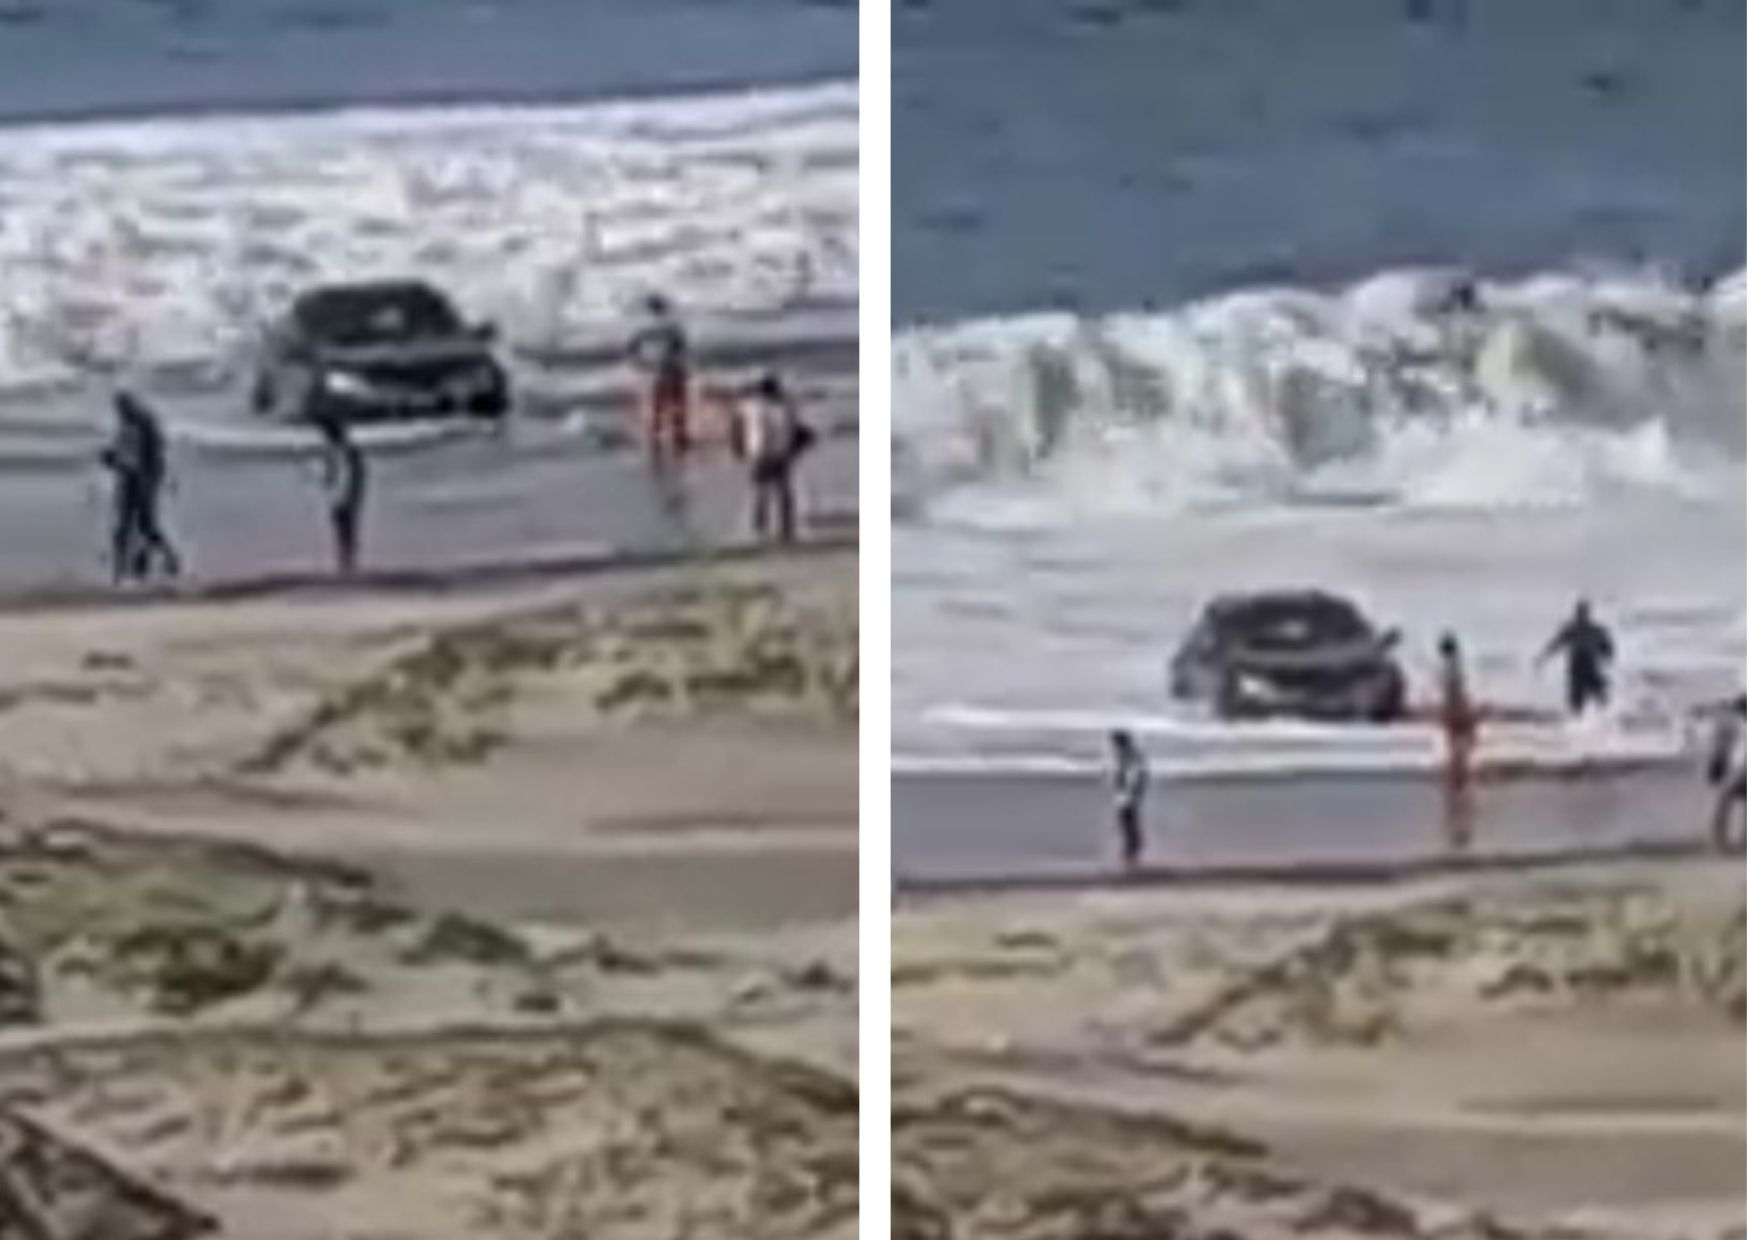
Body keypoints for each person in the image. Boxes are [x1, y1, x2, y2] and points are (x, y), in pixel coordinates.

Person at [99, 391, 180, 584]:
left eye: (121, 408)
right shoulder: (130, 425)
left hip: (140, 481)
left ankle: (161, 561)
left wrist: (113, 460)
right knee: (132, 527)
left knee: (141, 526)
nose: (119, 413)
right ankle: (126, 571)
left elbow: (144, 458)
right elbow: (127, 456)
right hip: (133, 480)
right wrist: (111, 458)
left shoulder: (142, 424)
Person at [736, 372, 815, 544]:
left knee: (762, 493)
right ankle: (786, 529)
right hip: (778, 454)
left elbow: (738, 427)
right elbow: (795, 428)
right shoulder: (785, 406)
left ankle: (760, 529)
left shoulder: (750, 407)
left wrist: (740, 450)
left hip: (759, 454)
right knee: (783, 494)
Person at [627, 293, 691, 467]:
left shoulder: (642, 327)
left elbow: (632, 349)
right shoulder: (672, 325)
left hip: (655, 371)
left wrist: (641, 364)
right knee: (678, 405)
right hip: (673, 369)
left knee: (658, 407)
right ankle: (680, 440)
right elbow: (681, 347)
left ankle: (655, 442)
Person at [1436, 633, 1479, 848]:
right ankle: (1461, 794)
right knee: (1459, 751)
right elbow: (1457, 690)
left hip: (1457, 713)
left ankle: (1460, 796)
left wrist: (1447, 711)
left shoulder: (1450, 668)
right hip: (1459, 712)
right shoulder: (1455, 666)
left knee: (1457, 752)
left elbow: (1452, 691)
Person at [1538, 600, 1615, 717]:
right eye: (1580, 613)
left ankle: (1602, 719)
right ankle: (1580, 724)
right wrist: (1543, 657)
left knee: (1599, 696)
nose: (1581, 615)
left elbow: (1608, 648)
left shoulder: (1593, 630)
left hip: (1587, 667)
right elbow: (1556, 644)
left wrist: (1607, 658)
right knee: (1579, 700)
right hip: (1579, 667)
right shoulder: (1575, 629)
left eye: (1583, 612)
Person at [316, 416, 367, 575]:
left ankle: (346, 562)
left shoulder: (340, 450)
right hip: (343, 492)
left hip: (343, 492)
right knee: (345, 528)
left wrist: (326, 481)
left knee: (345, 527)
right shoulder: (344, 449)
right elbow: (357, 472)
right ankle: (346, 561)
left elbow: (334, 474)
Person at [1706, 694, 1745, 853]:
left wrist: (1714, 769)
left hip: (1741, 769)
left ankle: (1720, 844)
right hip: (1739, 768)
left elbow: (1721, 750)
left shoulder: (1735, 726)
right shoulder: (1737, 725)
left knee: (1722, 801)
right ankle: (1742, 843)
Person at [1109, 729, 1148, 872]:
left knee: (1128, 825)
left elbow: (1133, 776)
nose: (1113, 747)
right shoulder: (1131, 755)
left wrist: (1127, 794)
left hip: (1128, 795)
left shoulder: (1129, 756)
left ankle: (1131, 856)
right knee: (1129, 824)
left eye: (1115, 743)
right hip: (1128, 795)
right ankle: (1131, 854)